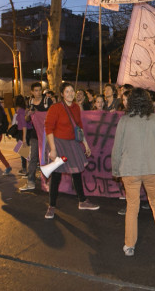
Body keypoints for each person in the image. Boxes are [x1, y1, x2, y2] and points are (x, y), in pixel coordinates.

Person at [111, 88, 155, 256]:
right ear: (147, 100)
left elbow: (116, 149)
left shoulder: (124, 121)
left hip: (129, 170)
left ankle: (129, 245)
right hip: (152, 168)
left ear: (130, 102)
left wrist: (115, 170)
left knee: (132, 207)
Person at [44, 82, 99, 219]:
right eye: (67, 91)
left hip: (72, 144)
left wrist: (85, 145)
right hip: (58, 144)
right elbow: (48, 128)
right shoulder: (55, 108)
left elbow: (79, 127)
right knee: (56, 176)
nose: (70, 93)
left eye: (71, 91)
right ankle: (51, 206)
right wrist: (53, 149)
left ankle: (82, 201)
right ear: (62, 94)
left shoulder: (76, 107)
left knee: (77, 172)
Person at [20, 82, 53, 192]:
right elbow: (27, 119)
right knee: (33, 157)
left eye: (40, 90)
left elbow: (53, 115)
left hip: (48, 135)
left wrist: (38, 113)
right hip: (35, 134)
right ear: (32, 92)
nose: (38, 92)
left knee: (48, 158)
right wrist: (29, 114)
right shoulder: (30, 102)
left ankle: (49, 181)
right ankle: (31, 181)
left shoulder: (47, 101)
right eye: (36, 90)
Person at [11, 95, 29, 176]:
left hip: (21, 132)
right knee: (23, 151)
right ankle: (26, 168)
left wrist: (24, 138)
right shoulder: (24, 110)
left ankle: (25, 169)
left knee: (23, 152)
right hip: (24, 132)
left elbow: (23, 125)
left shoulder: (20, 111)